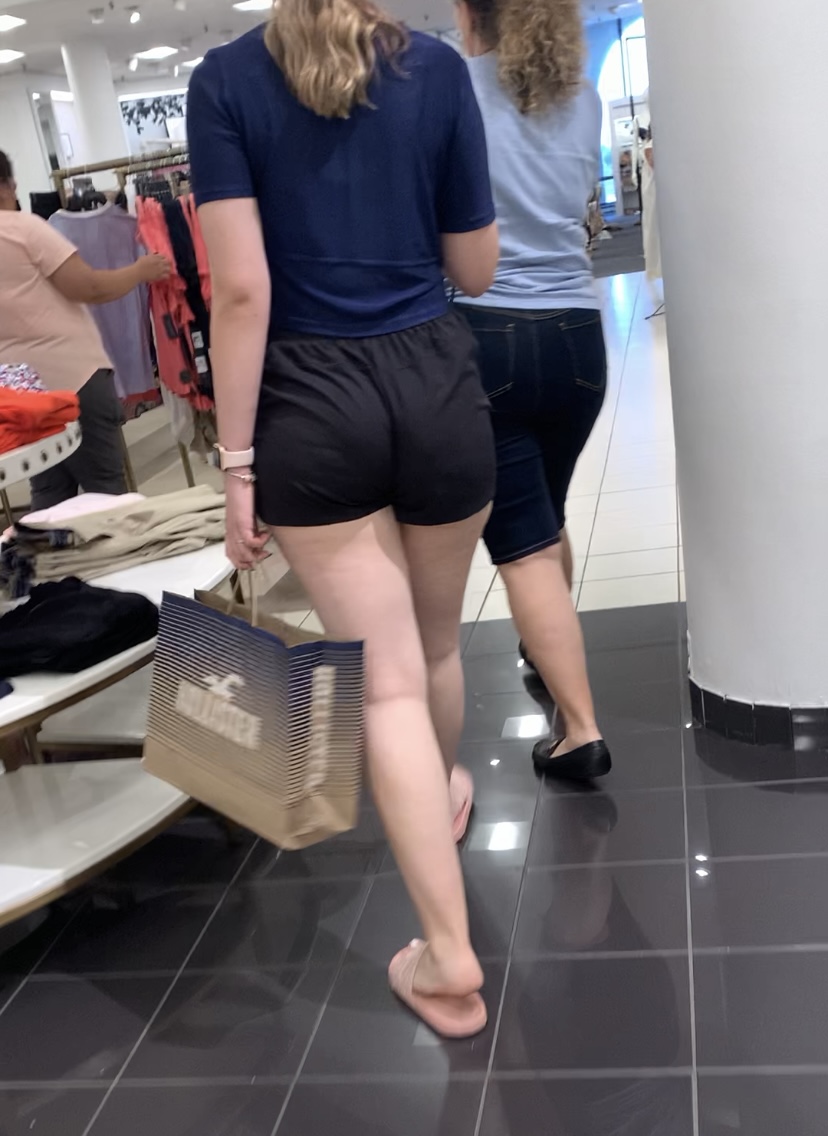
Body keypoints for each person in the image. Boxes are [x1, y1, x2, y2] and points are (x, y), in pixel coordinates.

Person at [186, 0, 499, 1038]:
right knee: (436, 648)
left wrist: (237, 467)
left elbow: (242, 292)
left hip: (310, 404)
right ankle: (441, 792)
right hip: (435, 382)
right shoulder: (439, 72)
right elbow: (476, 268)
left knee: (385, 682)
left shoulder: (225, 83)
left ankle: (447, 953)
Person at [453, 0, 612, 781]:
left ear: (467, 11)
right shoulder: (586, 97)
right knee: (545, 515)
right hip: (580, 334)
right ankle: (543, 644)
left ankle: (580, 731)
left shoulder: (454, 90)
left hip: (489, 335)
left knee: (523, 547)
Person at [0, 150, 170, 509]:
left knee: (49, 491)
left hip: (20, 394)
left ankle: (52, 548)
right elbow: (88, 287)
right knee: (105, 490)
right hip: (72, 378)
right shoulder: (23, 229)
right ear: (6, 186)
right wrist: (140, 270)